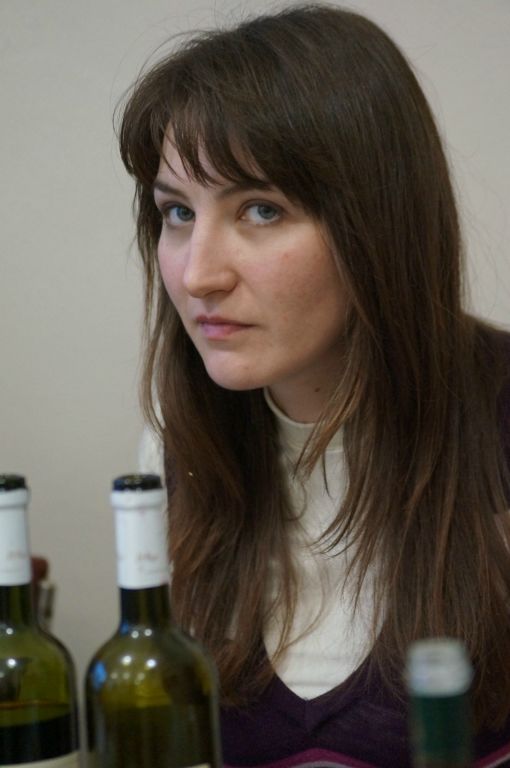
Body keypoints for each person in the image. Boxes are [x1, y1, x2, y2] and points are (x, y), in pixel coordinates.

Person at [118, 4, 510, 766]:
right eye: (177, 211)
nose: (198, 274)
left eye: (261, 210)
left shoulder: (496, 416)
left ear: (377, 224)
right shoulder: (176, 439)